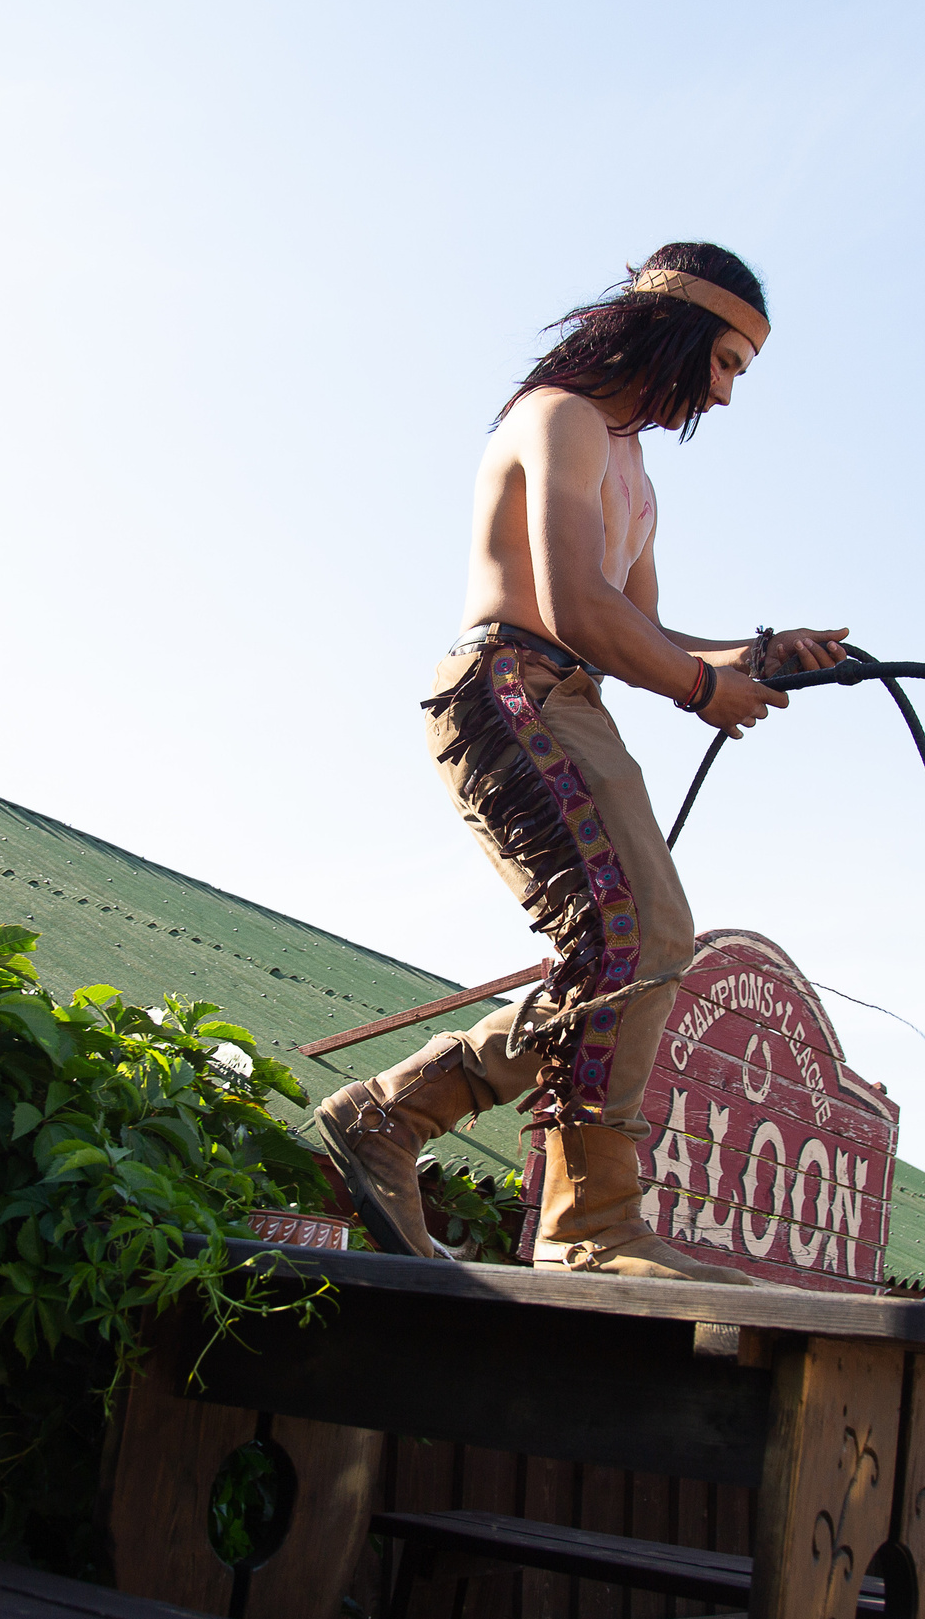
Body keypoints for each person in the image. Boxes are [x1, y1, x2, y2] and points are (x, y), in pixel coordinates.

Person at [316, 242, 848, 1282]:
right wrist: (703, 690)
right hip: (509, 687)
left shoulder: (633, 468)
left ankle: (388, 1119)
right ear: (679, 332)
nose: (727, 396)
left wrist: (761, 655)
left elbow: (641, 626)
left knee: (632, 949)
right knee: (640, 937)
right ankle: (588, 1226)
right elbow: (573, 605)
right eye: (728, 362)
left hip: (567, 695)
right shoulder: (558, 417)